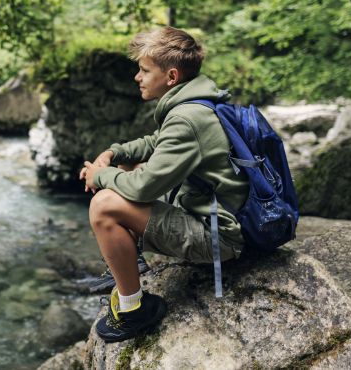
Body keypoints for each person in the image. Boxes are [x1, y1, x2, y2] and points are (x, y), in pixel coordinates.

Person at [78, 27, 249, 343]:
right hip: (215, 214)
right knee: (131, 167)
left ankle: (133, 310)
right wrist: (116, 152)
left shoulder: (186, 119)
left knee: (103, 206)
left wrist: (99, 176)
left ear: (170, 76)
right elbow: (157, 142)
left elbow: (144, 188)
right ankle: (129, 260)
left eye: (144, 70)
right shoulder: (198, 102)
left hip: (219, 237)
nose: (137, 77)